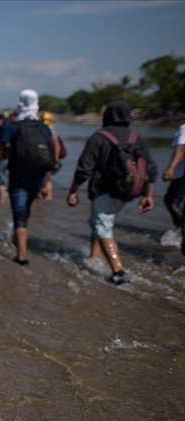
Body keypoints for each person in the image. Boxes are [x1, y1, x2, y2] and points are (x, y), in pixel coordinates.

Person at [66, 100, 158, 285]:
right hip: (127, 193)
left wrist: (73, 191)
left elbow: (84, 169)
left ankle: (118, 271)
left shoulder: (99, 138)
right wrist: (148, 195)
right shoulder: (136, 137)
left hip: (104, 190)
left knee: (102, 227)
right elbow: (151, 169)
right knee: (100, 221)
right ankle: (93, 258)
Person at [0, 89, 56, 265]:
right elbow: (49, 155)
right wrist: (47, 181)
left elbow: (0, 151)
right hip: (38, 176)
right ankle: (19, 238)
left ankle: (22, 255)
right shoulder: (44, 128)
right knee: (25, 210)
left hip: (19, 176)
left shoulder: (13, 127)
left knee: (19, 213)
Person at [160, 123, 185, 247]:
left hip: (182, 173)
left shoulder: (184, 128)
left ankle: (180, 229)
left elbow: (181, 148)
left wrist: (170, 167)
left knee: (171, 201)